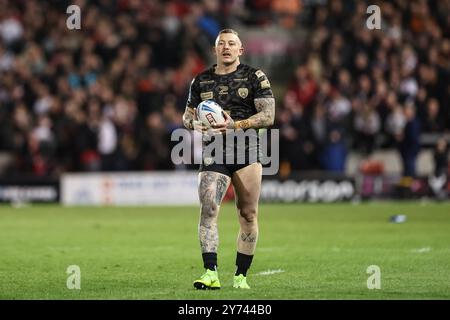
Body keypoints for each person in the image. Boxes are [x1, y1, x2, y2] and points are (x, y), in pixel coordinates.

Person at [182, 29, 275, 289]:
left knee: (247, 214)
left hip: (247, 150)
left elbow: (268, 116)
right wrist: (194, 124)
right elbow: (187, 117)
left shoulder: (254, 76)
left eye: (231, 43)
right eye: (221, 43)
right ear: (215, 49)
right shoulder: (201, 80)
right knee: (209, 209)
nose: (226, 47)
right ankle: (210, 273)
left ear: (240, 50)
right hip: (215, 150)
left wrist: (236, 125)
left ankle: (240, 276)